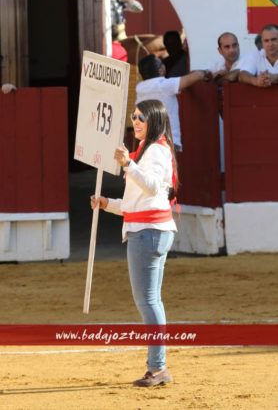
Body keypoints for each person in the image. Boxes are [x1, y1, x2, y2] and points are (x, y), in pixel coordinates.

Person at [91, 99, 178, 387]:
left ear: (154, 121)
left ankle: (158, 367)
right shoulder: (150, 150)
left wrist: (128, 163)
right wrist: (107, 204)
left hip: (148, 232)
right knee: (151, 300)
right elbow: (136, 203)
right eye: (134, 116)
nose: (136, 121)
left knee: (149, 301)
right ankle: (158, 366)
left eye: (142, 117)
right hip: (150, 228)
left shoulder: (154, 151)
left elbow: (151, 186)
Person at [136, 54, 210, 151]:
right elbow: (197, 76)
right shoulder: (164, 85)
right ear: (161, 70)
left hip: (146, 141)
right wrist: (207, 72)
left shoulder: (140, 88)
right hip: (166, 140)